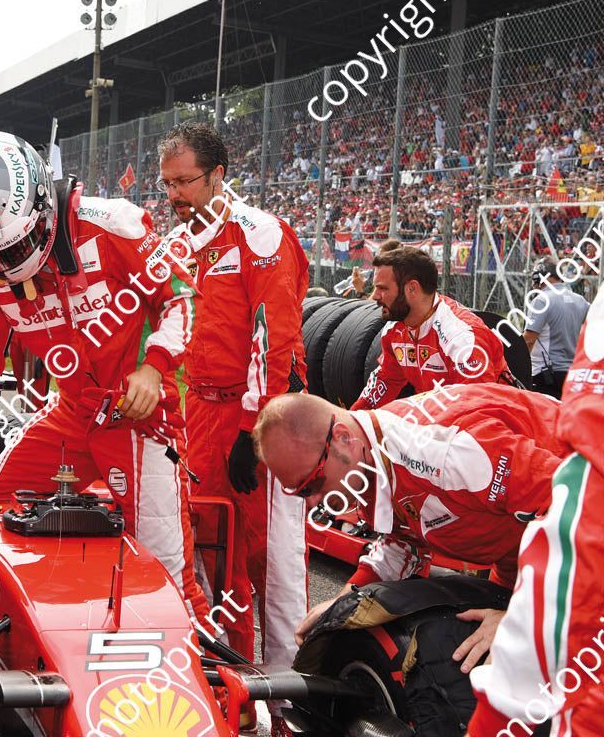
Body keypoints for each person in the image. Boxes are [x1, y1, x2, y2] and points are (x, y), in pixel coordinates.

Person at [0, 129, 208, 620]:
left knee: (169, 578)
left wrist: (154, 368)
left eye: (14, 249)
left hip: (141, 420)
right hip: (70, 414)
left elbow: (185, 299)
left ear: (42, 204)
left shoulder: (113, 225)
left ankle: (214, 683)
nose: (6, 266)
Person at [254, 384, 567, 673]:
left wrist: (525, 615)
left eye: (313, 485)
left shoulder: (447, 451)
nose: (315, 503)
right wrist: (345, 603)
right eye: (300, 493)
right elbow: (403, 543)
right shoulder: (368, 460)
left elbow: (576, 505)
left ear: (342, 438)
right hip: (522, 552)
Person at [157, 122, 308, 677]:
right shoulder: (180, 246)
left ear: (218, 175)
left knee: (273, 558)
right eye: (167, 184)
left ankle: (291, 694)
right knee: (211, 551)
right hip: (200, 413)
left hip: (266, 418)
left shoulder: (261, 234)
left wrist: (257, 429)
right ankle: (232, 678)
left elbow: (279, 340)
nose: (173, 195)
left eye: (184, 182)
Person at [467, 290, 603, 735]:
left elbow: (525, 340)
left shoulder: (545, 300)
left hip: (556, 385)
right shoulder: (583, 303)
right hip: (570, 388)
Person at [350, 246, 512, 410]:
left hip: (497, 419)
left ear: (412, 288)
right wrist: (353, 419)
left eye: (383, 288)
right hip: (442, 415)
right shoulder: (395, 328)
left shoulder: (459, 335)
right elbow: (387, 379)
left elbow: (477, 407)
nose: (375, 296)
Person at [523, 257, 589, 399]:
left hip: (544, 375)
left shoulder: (541, 300)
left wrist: (516, 365)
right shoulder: (581, 301)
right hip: (572, 374)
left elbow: (529, 340)